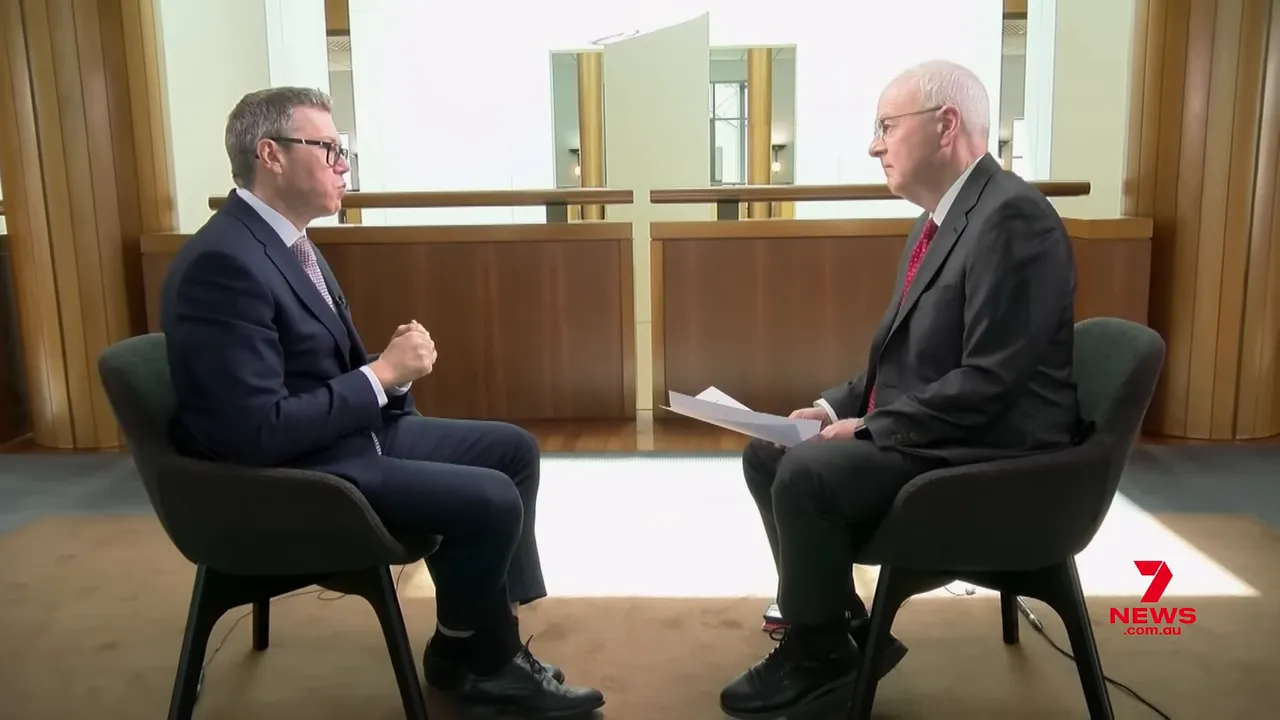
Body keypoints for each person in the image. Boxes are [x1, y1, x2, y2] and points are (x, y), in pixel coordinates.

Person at [160, 87, 605, 718]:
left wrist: (387, 380)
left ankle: (471, 640)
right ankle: (488, 657)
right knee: (488, 497)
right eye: (330, 149)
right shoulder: (223, 263)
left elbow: (318, 367)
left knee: (512, 449)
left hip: (341, 436)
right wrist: (381, 374)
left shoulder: (287, 240)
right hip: (289, 474)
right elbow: (253, 431)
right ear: (272, 155)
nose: (344, 165)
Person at [719, 60, 1085, 719]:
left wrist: (870, 427)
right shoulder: (936, 222)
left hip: (999, 449)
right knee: (768, 453)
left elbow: (991, 381)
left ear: (945, 126)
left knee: (808, 474)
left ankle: (816, 651)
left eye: (886, 127)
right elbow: (900, 361)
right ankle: (837, 630)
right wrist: (834, 405)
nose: (873, 144)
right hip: (953, 426)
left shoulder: (1014, 218)